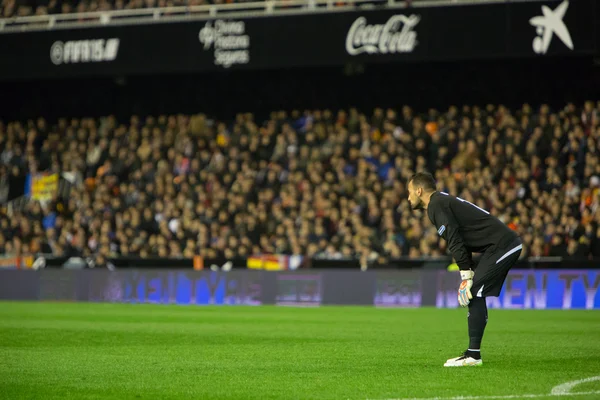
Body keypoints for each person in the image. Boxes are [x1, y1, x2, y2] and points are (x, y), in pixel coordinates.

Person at [407, 172, 522, 367]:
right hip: (496, 247)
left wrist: (466, 275)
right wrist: (467, 273)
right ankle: (472, 354)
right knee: (474, 292)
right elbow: (461, 240)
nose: (408, 197)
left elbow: (454, 239)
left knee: (475, 291)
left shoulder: (436, 205)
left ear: (419, 190)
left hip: (504, 244)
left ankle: (473, 356)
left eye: (409, 192)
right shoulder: (440, 203)